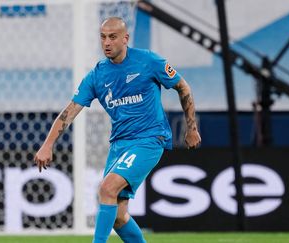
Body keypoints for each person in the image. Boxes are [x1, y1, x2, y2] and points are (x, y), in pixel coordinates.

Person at [34, 17, 201, 243]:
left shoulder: (148, 61)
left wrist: (191, 128)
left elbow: (183, 87)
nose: (107, 43)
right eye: (103, 37)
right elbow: (70, 111)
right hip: (119, 144)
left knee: (107, 188)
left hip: (149, 139)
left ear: (125, 38)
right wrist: (47, 144)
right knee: (118, 216)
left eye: (112, 37)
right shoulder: (97, 75)